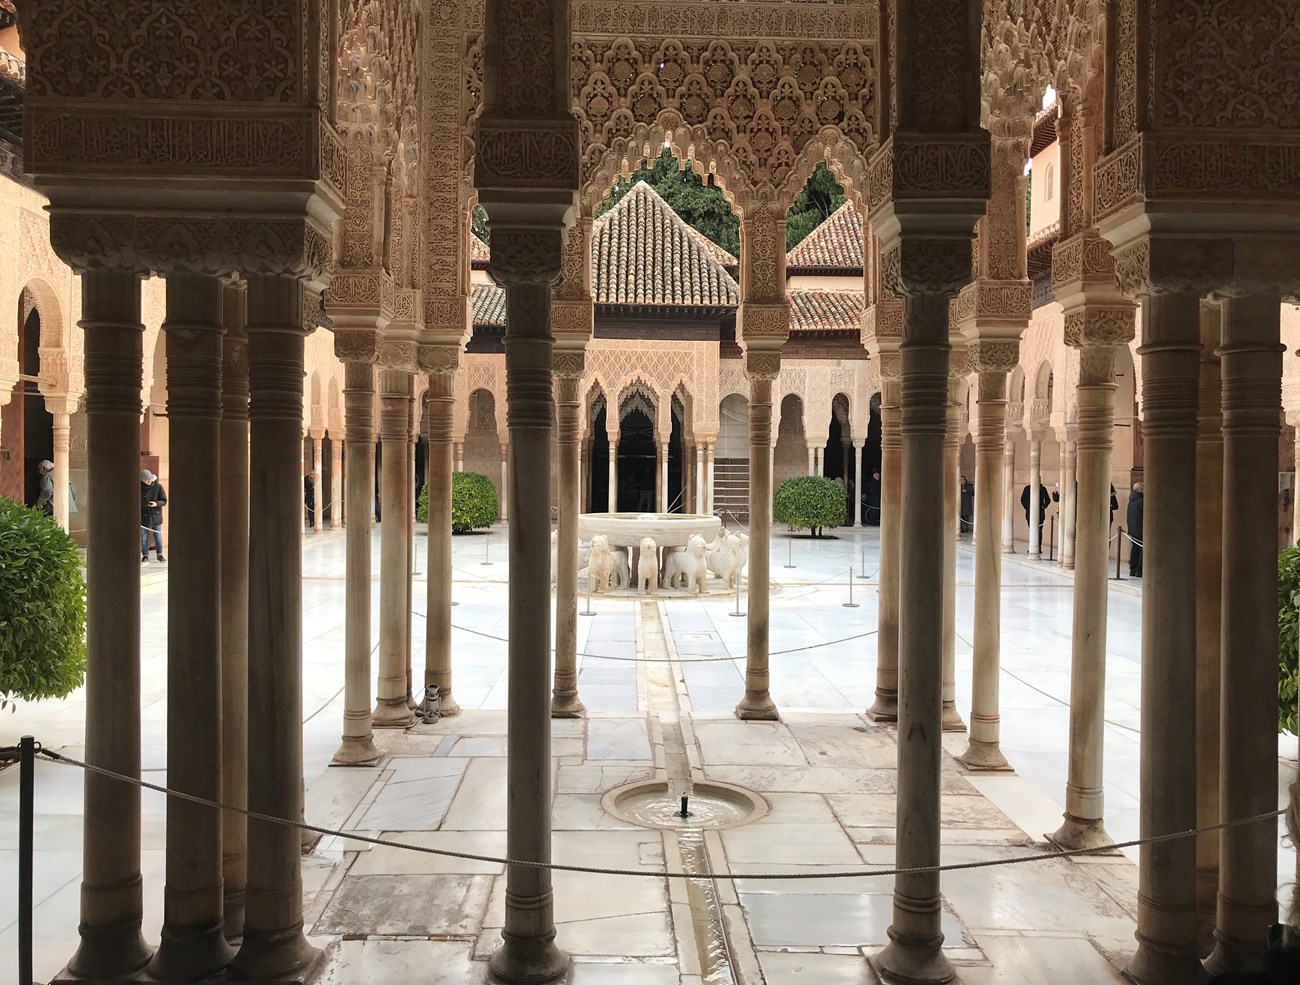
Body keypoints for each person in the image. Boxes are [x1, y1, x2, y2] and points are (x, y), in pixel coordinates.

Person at [140, 469, 166, 562]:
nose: (149, 481)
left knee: (158, 536)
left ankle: (160, 554)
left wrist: (156, 504)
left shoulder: (158, 487)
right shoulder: (138, 488)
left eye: (150, 479)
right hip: (143, 517)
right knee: (144, 537)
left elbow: (164, 500)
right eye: (147, 480)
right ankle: (145, 555)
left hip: (156, 517)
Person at [1021, 482, 1050, 549]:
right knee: (1031, 530)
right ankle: (1032, 546)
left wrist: (1043, 507)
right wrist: (1027, 507)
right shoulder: (1027, 488)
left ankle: (1038, 547)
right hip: (1029, 513)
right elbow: (1022, 499)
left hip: (1040, 513)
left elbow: (1048, 500)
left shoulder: (1043, 489)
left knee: (1039, 530)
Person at [1127, 481, 1144, 576]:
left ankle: (1132, 569)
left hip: (1133, 528)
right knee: (1141, 549)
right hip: (1140, 528)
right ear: (1141, 489)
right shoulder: (1142, 501)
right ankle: (1139, 570)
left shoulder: (1132, 500)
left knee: (1135, 549)